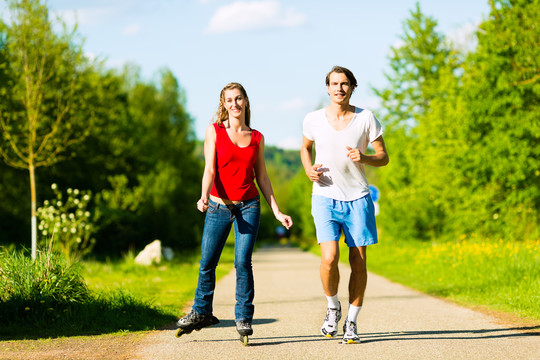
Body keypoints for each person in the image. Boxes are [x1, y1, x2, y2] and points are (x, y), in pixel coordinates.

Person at [176, 82, 293, 341]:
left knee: (242, 263)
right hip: (218, 205)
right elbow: (210, 169)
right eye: (229, 100)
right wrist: (204, 194)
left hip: (248, 206)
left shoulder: (257, 138)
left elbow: (262, 177)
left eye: (238, 99)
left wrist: (276, 210)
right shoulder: (214, 131)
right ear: (223, 104)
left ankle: (243, 317)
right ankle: (201, 311)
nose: (234, 104)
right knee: (207, 262)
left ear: (246, 101)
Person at [300, 66, 389, 344]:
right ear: (327, 88)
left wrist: (365, 157)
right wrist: (307, 170)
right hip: (324, 195)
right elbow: (305, 148)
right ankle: (332, 307)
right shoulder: (313, 119)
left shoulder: (366, 118)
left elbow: (383, 156)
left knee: (358, 261)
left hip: (358, 198)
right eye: (335, 83)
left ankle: (351, 321)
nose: (339, 88)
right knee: (329, 258)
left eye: (345, 83)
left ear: (352, 87)